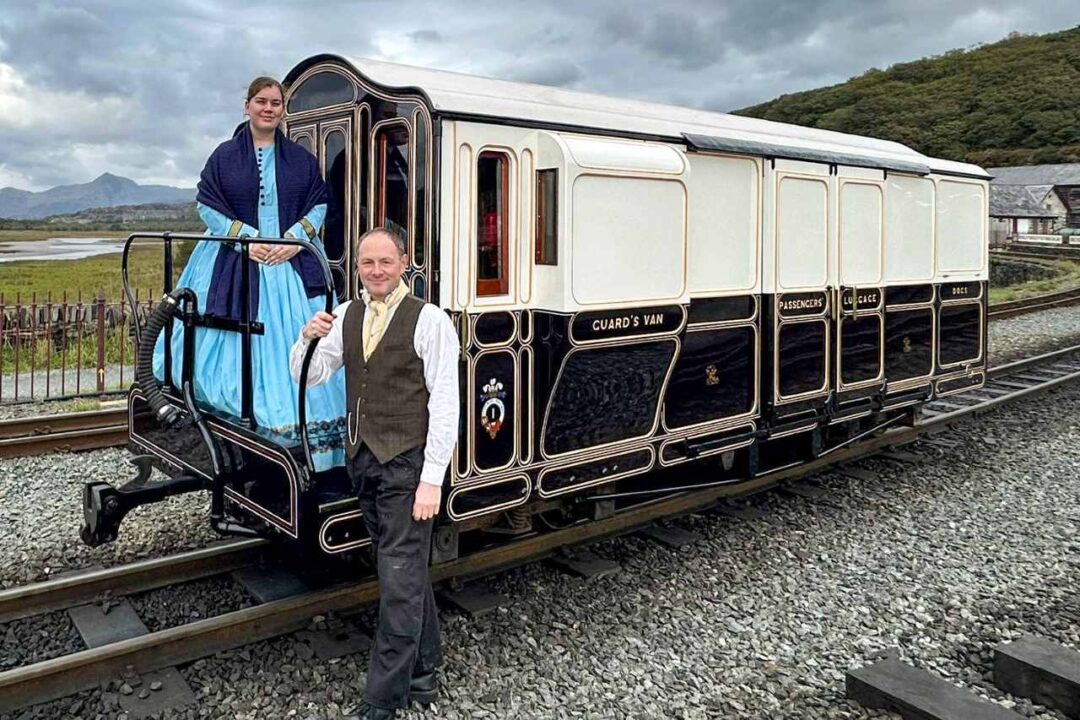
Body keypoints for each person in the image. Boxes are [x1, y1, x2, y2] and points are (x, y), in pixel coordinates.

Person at [289, 227, 459, 720]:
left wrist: (432, 479)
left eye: (386, 261)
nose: (377, 270)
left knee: (398, 580)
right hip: (363, 460)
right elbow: (312, 374)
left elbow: (446, 404)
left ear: (404, 262)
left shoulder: (430, 321)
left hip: (408, 464)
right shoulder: (346, 314)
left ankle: (383, 700)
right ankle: (425, 673)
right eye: (368, 262)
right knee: (404, 572)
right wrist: (306, 337)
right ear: (357, 266)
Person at [153, 76, 346, 470]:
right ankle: (236, 418)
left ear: (282, 108)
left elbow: (319, 204)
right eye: (262, 101)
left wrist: (293, 241)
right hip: (235, 257)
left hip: (289, 261)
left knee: (303, 334)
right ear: (247, 106)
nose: (269, 108)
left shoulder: (300, 160)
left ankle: (303, 434)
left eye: (276, 102)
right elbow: (207, 204)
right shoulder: (223, 156)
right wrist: (246, 239)